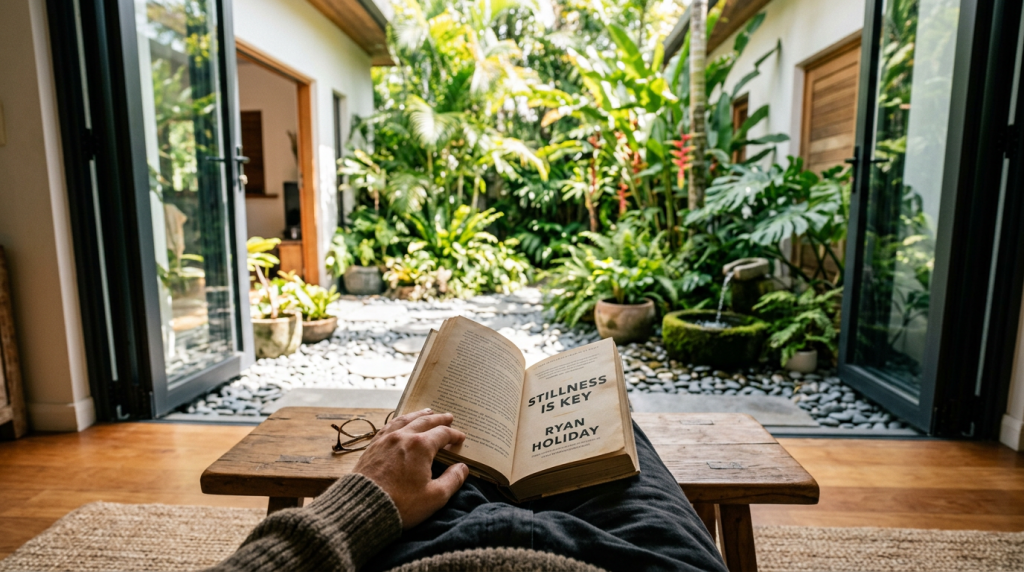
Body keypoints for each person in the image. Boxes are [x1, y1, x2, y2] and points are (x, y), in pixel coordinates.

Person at [207, 409, 728, 572]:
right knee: (615, 427)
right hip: (642, 562)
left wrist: (366, 496)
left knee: (429, 436)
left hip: (417, 556)